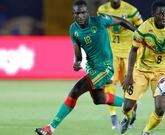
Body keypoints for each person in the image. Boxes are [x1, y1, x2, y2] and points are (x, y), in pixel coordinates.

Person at [35, 0, 136, 135]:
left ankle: (51, 127)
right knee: (98, 99)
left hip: (104, 68)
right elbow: (78, 55)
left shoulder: (100, 21)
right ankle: (129, 104)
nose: (80, 16)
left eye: (83, 12)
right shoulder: (73, 30)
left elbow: (122, 21)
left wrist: (138, 33)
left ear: (87, 12)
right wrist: (77, 63)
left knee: (75, 90)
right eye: (77, 13)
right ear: (73, 14)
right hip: (91, 67)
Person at [119, 1, 165, 135]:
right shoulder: (144, 28)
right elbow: (133, 51)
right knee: (127, 106)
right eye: (160, 14)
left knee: (160, 108)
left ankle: (146, 131)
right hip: (141, 70)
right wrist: (129, 75)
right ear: (153, 14)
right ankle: (128, 117)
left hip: (162, 73)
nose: (164, 17)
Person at [97, 0, 143, 129]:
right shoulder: (102, 9)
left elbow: (141, 29)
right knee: (109, 83)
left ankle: (129, 116)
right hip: (111, 53)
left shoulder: (131, 10)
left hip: (129, 53)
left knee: (129, 86)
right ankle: (113, 117)